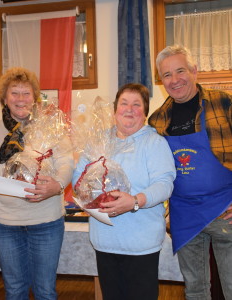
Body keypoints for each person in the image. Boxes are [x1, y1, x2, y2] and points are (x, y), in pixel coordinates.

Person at [73, 83, 176, 300]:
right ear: (114, 111)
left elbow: (164, 185)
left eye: (136, 104)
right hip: (105, 242)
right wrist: (90, 197)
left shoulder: (154, 143)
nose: (129, 109)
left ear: (145, 113)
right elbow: (78, 180)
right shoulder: (97, 142)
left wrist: (135, 201)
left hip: (141, 245)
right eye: (124, 103)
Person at [148, 45, 232, 300]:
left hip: (225, 209)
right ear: (161, 81)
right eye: (167, 75)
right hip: (184, 213)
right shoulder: (157, 120)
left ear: (194, 70)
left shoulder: (222, 101)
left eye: (180, 71)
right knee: (195, 289)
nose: (175, 80)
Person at [0, 67, 74, 300]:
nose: (21, 99)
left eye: (26, 93)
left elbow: (67, 162)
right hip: (5, 224)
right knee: (14, 291)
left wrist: (57, 185)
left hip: (45, 222)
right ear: (4, 98)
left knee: (45, 291)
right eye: (14, 93)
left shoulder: (50, 127)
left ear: (34, 97)